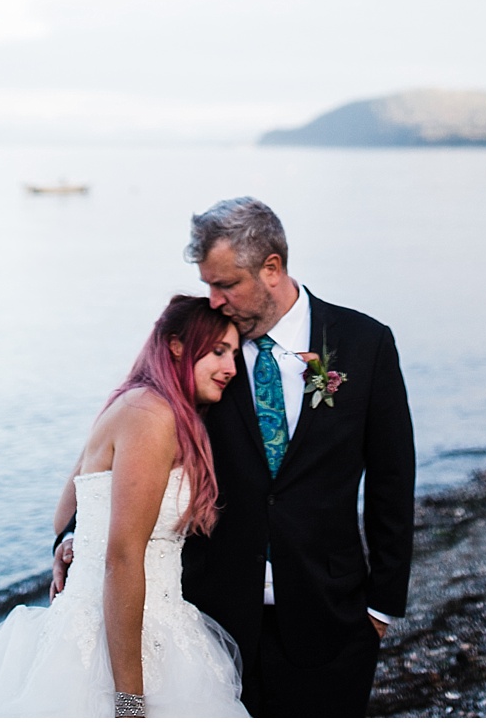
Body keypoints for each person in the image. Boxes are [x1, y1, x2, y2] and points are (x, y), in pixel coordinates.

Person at [0, 295, 249, 718]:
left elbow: (67, 510)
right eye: (219, 351)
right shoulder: (151, 414)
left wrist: (74, 539)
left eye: (234, 354)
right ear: (178, 346)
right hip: (118, 642)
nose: (231, 368)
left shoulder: (134, 402)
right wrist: (128, 703)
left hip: (150, 626)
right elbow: (123, 558)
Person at [179, 196, 415, 716]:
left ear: (272, 268)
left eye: (226, 285)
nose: (214, 301)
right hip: (213, 617)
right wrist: (78, 531)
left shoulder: (364, 342)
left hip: (332, 616)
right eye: (208, 285)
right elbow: (140, 431)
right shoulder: (199, 343)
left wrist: (382, 606)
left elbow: (392, 479)